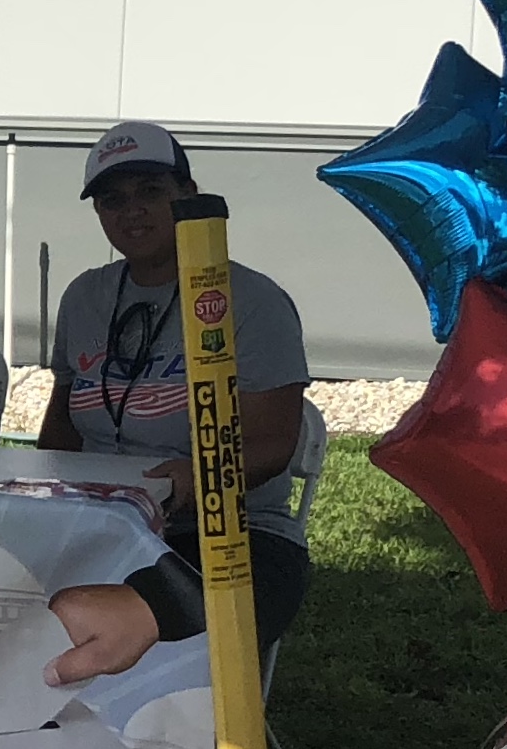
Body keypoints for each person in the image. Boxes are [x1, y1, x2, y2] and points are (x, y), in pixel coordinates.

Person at [39, 121, 317, 651]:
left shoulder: (253, 300)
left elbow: (272, 444)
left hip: (230, 535)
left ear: (188, 196)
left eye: (151, 191)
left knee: (157, 644)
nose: (132, 210)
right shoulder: (84, 297)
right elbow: (61, 426)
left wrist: (199, 476)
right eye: (112, 200)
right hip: (101, 528)